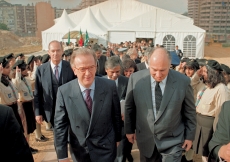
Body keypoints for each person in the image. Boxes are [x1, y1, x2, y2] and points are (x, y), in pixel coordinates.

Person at [125, 47, 196, 162]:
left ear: (170, 66)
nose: (158, 75)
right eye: (154, 70)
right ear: (148, 63)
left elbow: (190, 111)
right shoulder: (136, 79)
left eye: (163, 70)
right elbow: (130, 107)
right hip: (146, 140)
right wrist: (129, 130)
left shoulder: (183, 82)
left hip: (173, 142)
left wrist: (189, 136)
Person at [54, 48, 122, 162]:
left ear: (96, 66)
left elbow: (116, 116)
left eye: (91, 67)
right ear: (74, 70)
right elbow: (60, 126)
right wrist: (62, 155)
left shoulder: (109, 86)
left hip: (106, 148)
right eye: (82, 69)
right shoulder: (64, 92)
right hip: (80, 150)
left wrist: (118, 138)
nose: (88, 73)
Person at [193, 60, 230, 162]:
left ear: (212, 73)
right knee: (200, 156)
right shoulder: (206, 86)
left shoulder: (221, 89)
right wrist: (197, 75)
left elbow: (221, 115)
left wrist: (216, 134)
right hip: (200, 128)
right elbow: (191, 85)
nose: (203, 73)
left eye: (205, 71)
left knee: (208, 157)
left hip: (209, 130)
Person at [34, 40, 75, 127]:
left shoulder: (70, 67)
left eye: (58, 50)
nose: (55, 53)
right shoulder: (41, 70)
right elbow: (38, 93)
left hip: (69, 110)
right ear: (49, 52)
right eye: (53, 51)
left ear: (62, 51)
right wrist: (38, 113)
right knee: (57, 137)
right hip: (51, 111)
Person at [104, 56, 133, 162]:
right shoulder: (98, 82)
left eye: (118, 71)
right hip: (104, 126)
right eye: (112, 72)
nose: (115, 75)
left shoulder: (127, 81)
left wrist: (126, 112)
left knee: (120, 154)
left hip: (121, 124)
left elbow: (131, 101)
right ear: (106, 70)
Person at [12, 60, 38, 154]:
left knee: (29, 128)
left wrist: (36, 68)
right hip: (23, 105)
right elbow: (17, 87)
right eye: (25, 70)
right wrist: (17, 75)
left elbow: (33, 80)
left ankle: (28, 146)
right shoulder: (16, 81)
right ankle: (26, 148)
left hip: (29, 104)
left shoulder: (25, 79)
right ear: (20, 71)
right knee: (25, 128)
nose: (27, 71)